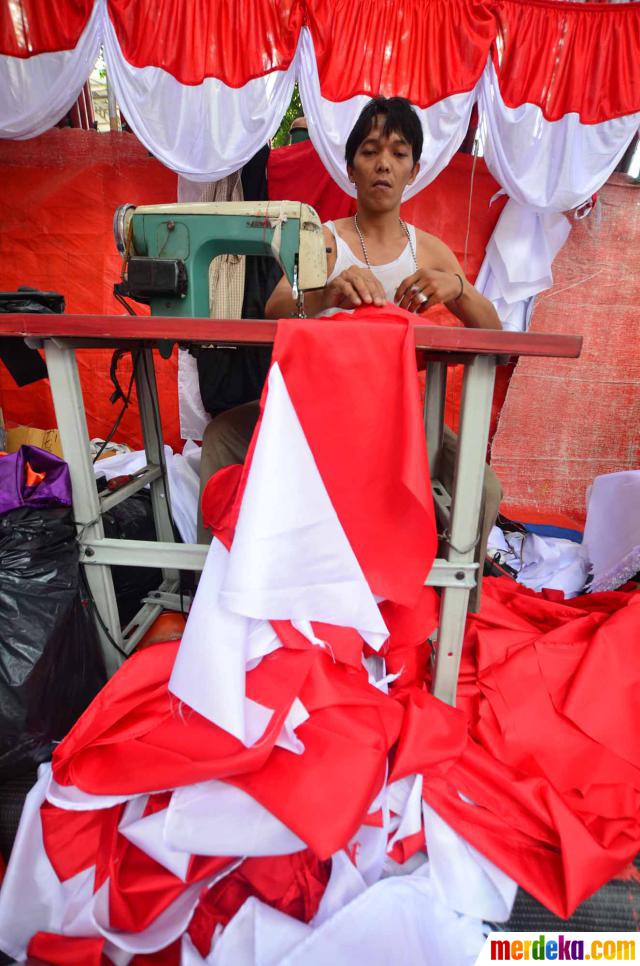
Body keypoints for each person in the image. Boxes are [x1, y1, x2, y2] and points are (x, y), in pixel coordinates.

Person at [198, 98, 502, 600]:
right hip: (321, 419)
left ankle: (448, 601)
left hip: (403, 423)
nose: (384, 163)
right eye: (370, 151)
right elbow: (278, 310)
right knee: (221, 438)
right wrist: (326, 292)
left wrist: (458, 289)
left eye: (399, 153)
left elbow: (494, 336)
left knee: (484, 489)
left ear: (413, 171)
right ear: (350, 168)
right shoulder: (326, 241)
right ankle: (221, 588)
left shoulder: (427, 252)